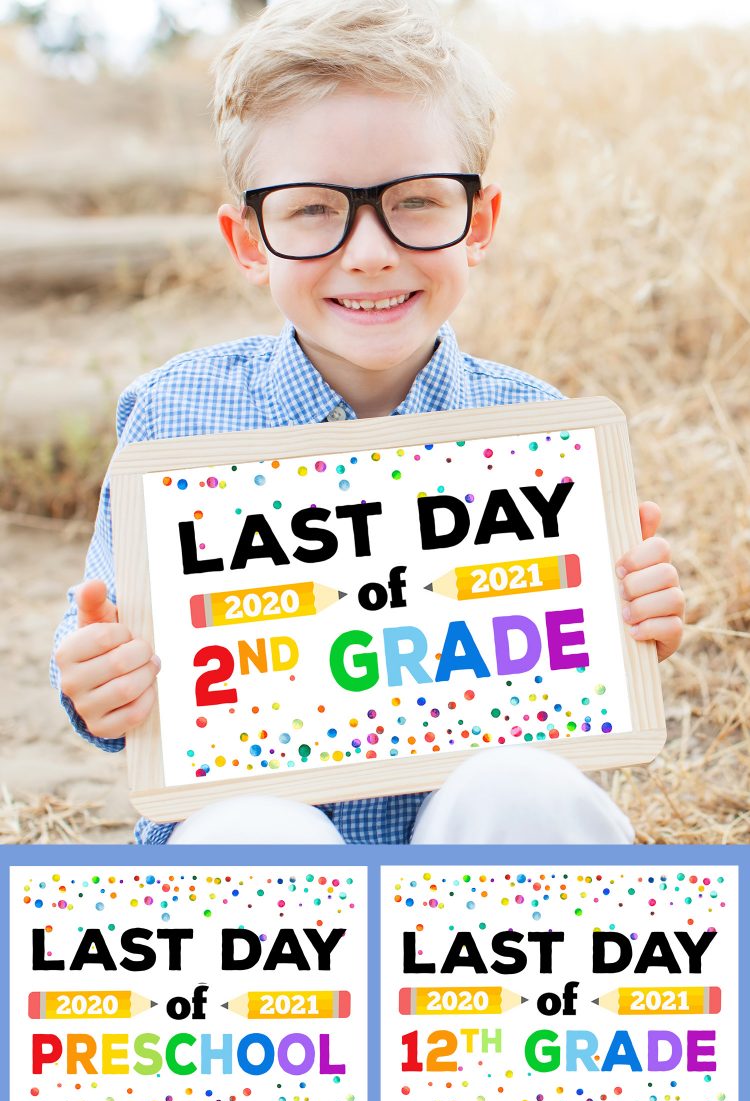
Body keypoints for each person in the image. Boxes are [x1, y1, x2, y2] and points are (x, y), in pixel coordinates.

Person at [51, 0, 684, 846]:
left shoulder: (536, 437)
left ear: (480, 222)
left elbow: (576, 679)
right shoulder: (177, 419)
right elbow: (113, 644)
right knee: (255, 833)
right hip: (258, 881)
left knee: (523, 788)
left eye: (417, 202)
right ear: (248, 241)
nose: (370, 250)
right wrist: (101, 679)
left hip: (474, 881)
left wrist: (628, 625)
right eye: (313, 210)